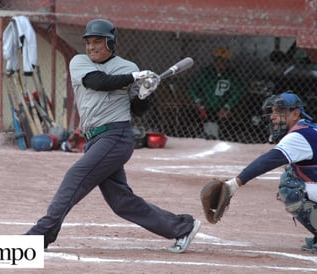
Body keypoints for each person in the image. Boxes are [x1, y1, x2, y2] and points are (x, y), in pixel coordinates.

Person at [25, 19, 201, 253]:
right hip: (95, 139)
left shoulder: (127, 67)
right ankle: (182, 227)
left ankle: (40, 235)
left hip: (116, 136)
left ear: (110, 42)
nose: (91, 47)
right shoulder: (80, 62)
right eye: (89, 42)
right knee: (121, 202)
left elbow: (137, 109)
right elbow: (98, 82)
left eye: (98, 42)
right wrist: (135, 78)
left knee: (75, 176)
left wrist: (145, 93)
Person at [220, 91, 317, 254]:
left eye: (279, 112)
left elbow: (268, 160)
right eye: (272, 112)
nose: (273, 117)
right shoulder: (310, 130)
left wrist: (235, 183)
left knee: (291, 188)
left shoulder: (299, 136)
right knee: (291, 174)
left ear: (295, 114)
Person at [188, 47, 244, 140]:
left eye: (223, 61)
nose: (220, 64)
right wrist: (197, 101)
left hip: (222, 107)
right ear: (214, 61)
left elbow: (238, 93)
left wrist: (228, 106)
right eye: (218, 60)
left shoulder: (232, 75)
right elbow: (192, 88)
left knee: (223, 127)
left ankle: (217, 139)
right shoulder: (205, 72)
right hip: (205, 106)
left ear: (228, 63)